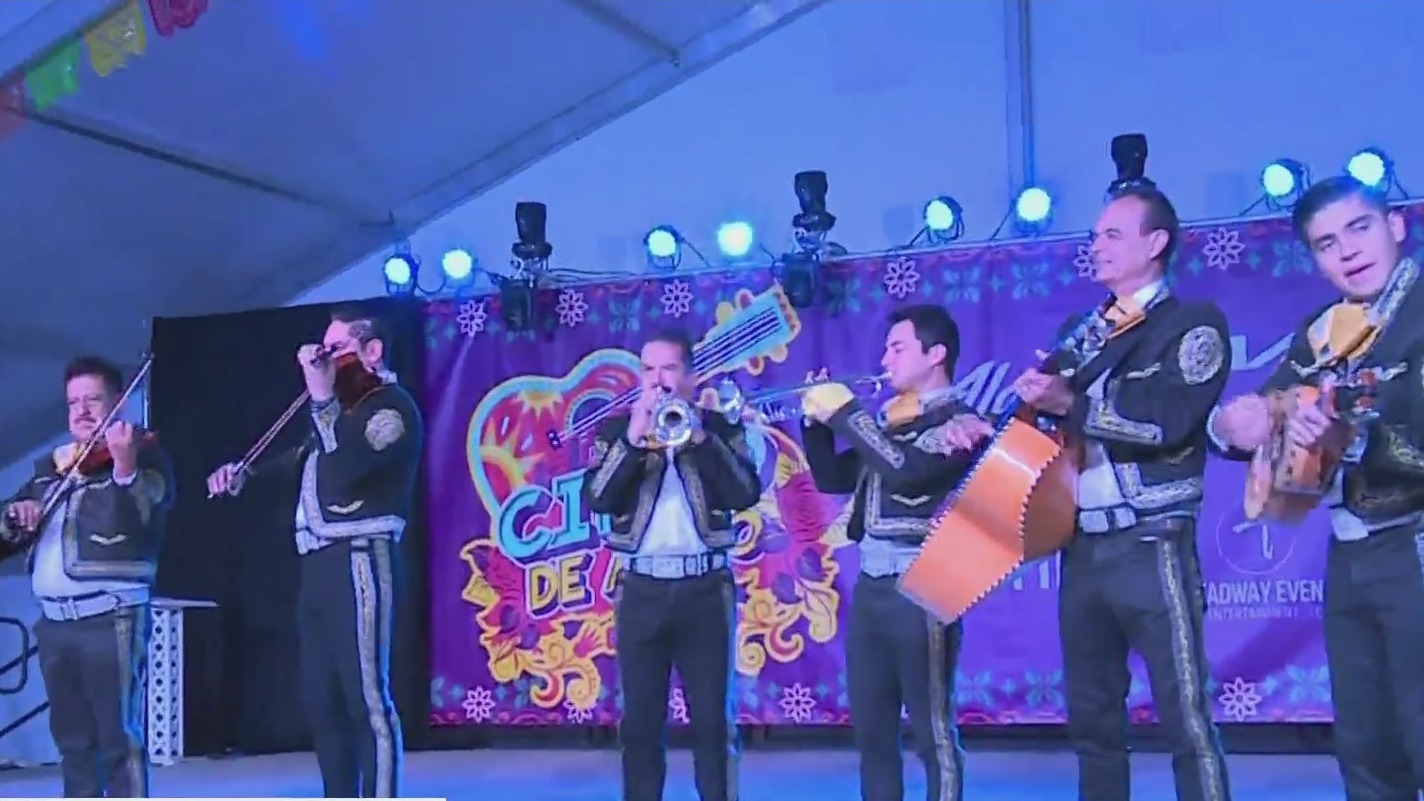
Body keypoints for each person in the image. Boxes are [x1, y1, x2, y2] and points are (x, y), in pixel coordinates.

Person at [999, 182, 1233, 801]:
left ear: (1156, 244)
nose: (1095, 245)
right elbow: (1051, 419)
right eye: (1096, 234)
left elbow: (1166, 423)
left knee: (1185, 716)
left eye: (1111, 235)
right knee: (1093, 720)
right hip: (1083, 547)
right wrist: (1032, 406)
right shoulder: (1084, 329)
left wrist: (1068, 403)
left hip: (1152, 540)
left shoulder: (1192, 323)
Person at [1210, 176, 1424, 800]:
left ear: (1396, 227)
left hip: (1415, 544)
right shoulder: (1324, 331)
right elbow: (1265, 410)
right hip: (1353, 553)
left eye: (1359, 229)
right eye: (1327, 244)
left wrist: (1349, 435)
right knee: (1364, 743)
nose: (1348, 251)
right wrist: (1234, 423)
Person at [206, 304, 424, 799]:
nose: (326, 362)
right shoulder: (334, 416)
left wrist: (323, 398)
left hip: (361, 558)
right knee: (324, 705)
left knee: (367, 699)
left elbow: (346, 468)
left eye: (338, 351)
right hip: (318, 564)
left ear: (372, 351)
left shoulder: (389, 408)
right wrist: (246, 476)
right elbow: (302, 463)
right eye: (322, 353)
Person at [801, 303, 982, 801]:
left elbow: (908, 470)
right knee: (873, 734)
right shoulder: (887, 421)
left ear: (936, 354)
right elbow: (833, 478)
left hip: (924, 585)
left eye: (898, 347)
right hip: (873, 588)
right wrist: (815, 423)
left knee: (933, 732)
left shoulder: (962, 420)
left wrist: (845, 412)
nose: (886, 357)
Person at [580, 327, 761, 801]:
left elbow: (744, 492)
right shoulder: (617, 431)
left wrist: (699, 437)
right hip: (641, 589)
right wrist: (635, 442)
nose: (657, 380)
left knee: (711, 723)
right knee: (639, 723)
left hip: (705, 588)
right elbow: (597, 498)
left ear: (691, 375)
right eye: (647, 369)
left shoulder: (721, 428)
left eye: (668, 369)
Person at [0, 356, 173, 798]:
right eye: (73, 402)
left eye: (93, 399)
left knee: (117, 739)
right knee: (72, 743)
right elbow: (4, 539)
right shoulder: (52, 469)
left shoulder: (146, 457)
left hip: (111, 618)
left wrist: (123, 467)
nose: (81, 411)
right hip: (55, 624)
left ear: (119, 404)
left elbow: (136, 519)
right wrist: (15, 519)